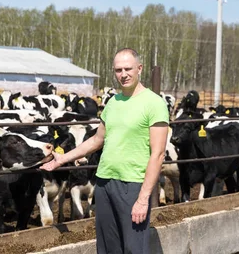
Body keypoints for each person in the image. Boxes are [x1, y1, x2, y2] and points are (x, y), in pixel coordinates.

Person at [40, 47, 169, 253]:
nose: (123, 74)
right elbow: (96, 140)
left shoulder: (154, 103)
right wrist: (62, 159)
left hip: (133, 185)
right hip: (105, 183)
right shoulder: (113, 103)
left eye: (128, 69)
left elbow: (158, 154)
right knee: (108, 248)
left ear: (140, 68)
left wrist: (143, 198)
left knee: (134, 248)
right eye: (118, 70)